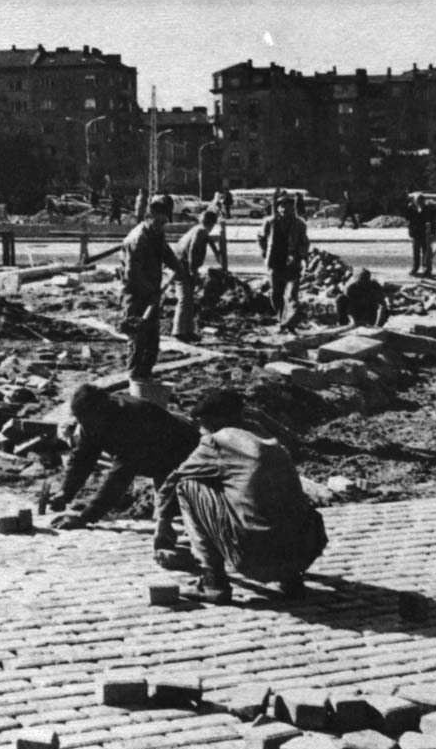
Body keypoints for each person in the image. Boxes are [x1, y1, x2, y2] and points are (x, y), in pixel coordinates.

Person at [154, 389, 328, 604]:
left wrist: (162, 522)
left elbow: (174, 480)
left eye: (201, 424)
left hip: (254, 558)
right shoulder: (267, 438)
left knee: (188, 485)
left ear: (210, 421)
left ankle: (213, 582)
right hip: (303, 554)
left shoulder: (218, 441)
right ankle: (291, 580)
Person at [47, 383, 199, 531]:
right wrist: (65, 492)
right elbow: (83, 457)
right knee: (163, 518)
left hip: (185, 455)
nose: (87, 428)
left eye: (89, 422)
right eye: (82, 422)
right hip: (157, 459)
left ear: (102, 412)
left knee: (175, 519)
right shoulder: (91, 418)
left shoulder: (132, 420)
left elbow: (121, 475)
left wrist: (86, 517)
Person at [119, 197, 181, 379]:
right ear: (148, 217)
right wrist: (152, 292)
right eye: (158, 222)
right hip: (135, 295)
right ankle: (133, 378)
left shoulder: (157, 233)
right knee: (137, 339)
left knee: (152, 341)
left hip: (152, 294)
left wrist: (177, 267)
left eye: (164, 223)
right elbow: (132, 276)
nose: (161, 226)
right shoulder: (137, 240)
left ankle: (145, 377)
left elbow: (165, 252)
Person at [258, 190, 309, 332]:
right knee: (276, 294)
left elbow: (304, 243)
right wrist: (264, 252)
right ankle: (282, 319)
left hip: (292, 264)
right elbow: (261, 238)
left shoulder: (299, 224)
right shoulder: (270, 222)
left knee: (292, 295)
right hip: (275, 263)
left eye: (288, 206)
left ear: (293, 208)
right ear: (278, 208)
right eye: (282, 206)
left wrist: (299, 255)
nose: (285, 209)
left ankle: (290, 323)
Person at [171, 210, 220, 341]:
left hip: (182, 265)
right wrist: (193, 270)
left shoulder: (198, 229)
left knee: (188, 300)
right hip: (183, 267)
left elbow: (209, 240)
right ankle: (178, 331)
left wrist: (216, 252)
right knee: (184, 299)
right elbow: (193, 249)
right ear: (212, 223)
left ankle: (187, 330)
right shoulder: (200, 231)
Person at [407, 193, 436, 276]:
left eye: (421, 200)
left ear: (423, 201)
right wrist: (410, 231)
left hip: (426, 234)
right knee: (416, 252)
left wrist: (434, 233)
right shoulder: (412, 209)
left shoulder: (428, 209)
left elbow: (432, 221)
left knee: (427, 252)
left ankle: (427, 269)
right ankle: (415, 268)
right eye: (418, 200)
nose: (419, 202)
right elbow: (410, 221)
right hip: (416, 233)